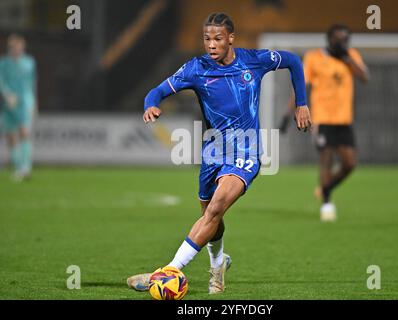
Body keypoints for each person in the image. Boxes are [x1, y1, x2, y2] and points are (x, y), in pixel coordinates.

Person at [127, 12, 312, 295]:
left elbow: (294, 61)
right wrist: (150, 105)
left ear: (231, 39)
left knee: (214, 210)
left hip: (246, 150)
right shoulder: (196, 68)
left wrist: (301, 103)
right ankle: (218, 263)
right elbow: (156, 92)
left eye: (217, 38)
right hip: (213, 152)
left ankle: (169, 270)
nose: (211, 44)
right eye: (206, 38)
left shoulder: (254, 60)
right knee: (210, 218)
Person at [281, 24, 369, 222]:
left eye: (346, 39)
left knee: (349, 164)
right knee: (326, 160)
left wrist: (346, 58)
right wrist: (289, 113)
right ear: (329, 39)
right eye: (339, 39)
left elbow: (364, 77)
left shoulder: (351, 55)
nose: (343, 43)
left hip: (344, 119)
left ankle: (325, 188)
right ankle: (327, 204)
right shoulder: (314, 58)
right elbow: (300, 85)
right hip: (322, 118)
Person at [0, 34, 37, 181]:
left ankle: (26, 167)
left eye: (19, 46)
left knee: (24, 131)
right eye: (14, 47)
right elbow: (1, 82)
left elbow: (32, 83)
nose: (17, 49)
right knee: (11, 137)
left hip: (24, 101)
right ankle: (19, 167)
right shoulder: (3, 64)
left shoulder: (29, 62)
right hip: (9, 102)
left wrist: (34, 102)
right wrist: (7, 95)